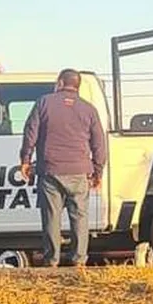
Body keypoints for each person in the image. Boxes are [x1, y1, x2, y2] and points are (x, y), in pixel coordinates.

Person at [19, 69, 106, 268]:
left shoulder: (44, 103)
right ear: (78, 86)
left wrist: (25, 160)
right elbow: (99, 144)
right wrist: (98, 171)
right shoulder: (89, 109)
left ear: (59, 83)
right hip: (79, 171)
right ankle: (79, 260)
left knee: (52, 216)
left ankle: (52, 260)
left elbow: (30, 133)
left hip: (50, 170)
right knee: (80, 217)